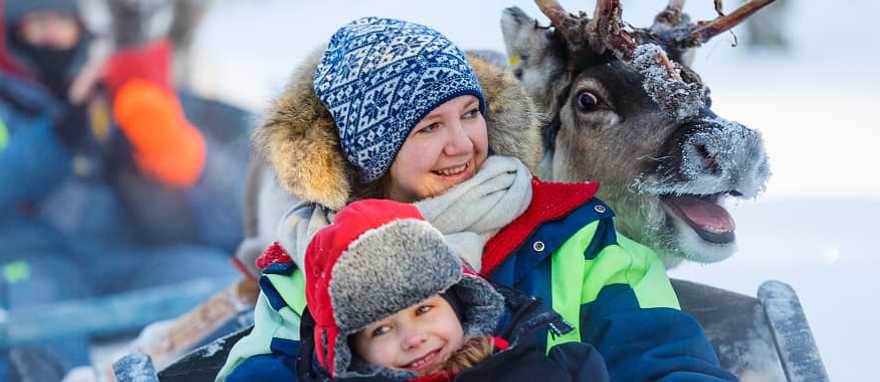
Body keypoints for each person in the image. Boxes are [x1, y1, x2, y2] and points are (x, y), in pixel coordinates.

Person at [219, 17, 736, 381]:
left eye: (470, 114)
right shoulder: (309, 265)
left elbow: (664, 356)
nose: (462, 144)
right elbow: (260, 368)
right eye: (429, 128)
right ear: (370, 154)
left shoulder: (572, 237)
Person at [0, 0, 243, 379]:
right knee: (37, 343)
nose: (51, 35)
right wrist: (58, 135)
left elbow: (221, 189)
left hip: (122, 257)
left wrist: (159, 150)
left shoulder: (107, 87)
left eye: (61, 22)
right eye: (38, 24)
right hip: (34, 264)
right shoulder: (8, 105)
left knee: (228, 288)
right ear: (13, 35)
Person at [229, 199, 610, 381]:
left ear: (459, 304)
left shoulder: (543, 369)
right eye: (380, 329)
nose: (413, 338)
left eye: (424, 310)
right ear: (352, 353)